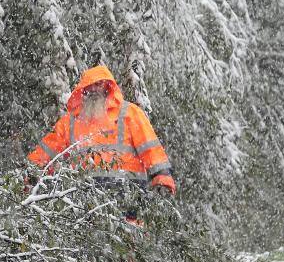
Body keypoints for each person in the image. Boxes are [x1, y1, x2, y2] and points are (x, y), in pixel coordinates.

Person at [26, 64, 176, 215]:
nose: (94, 89)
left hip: (127, 201)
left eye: (99, 84)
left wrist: (162, 176)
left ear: (108, 86)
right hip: (83, 206)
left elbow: (150, 148)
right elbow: (46, 153)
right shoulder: (69, 122)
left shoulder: (129, 114)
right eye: (90, 85)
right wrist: (28, 176)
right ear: (83, 88)